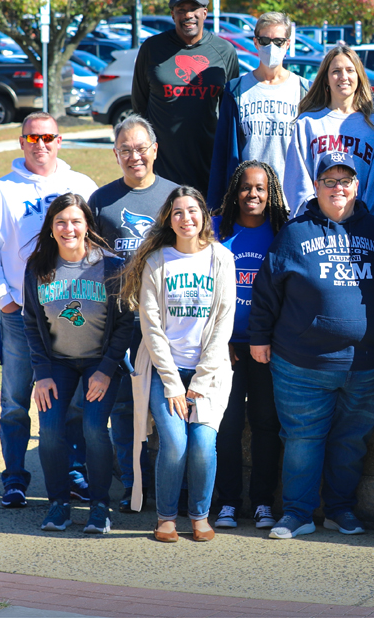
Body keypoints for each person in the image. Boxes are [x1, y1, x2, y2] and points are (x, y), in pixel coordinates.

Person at [249, 154, 374, 540]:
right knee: (301, 440)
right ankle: (297, 513)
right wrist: (259, 338)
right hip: (301, 363)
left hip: (366, 364)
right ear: (316, 186)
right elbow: (266, 290)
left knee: (351, 442)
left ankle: (340, 509)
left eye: (346, 180)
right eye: (329, 180)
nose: (338, 188)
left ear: (357, 186)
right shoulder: (295, 233)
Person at [0, 112, 98, 509]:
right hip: (20, 314)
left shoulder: (80, 185)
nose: (40, 144)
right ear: (22, 143)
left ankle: (74, 471)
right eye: (32, 138)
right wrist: (8, 301)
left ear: (60, 140)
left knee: (73, 399)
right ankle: (14, 478)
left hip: (70, 311)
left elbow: (95, 242)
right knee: (15, 400)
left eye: (47, 137)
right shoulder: (2, 191)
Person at [121, 186, 236, 542]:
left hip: (209, 373)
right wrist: (172, 383)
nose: (186, 219)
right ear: (169, 220)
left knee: (203, 443)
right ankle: (167, 517)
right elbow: (151, 326)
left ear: (204, 216)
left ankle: (199, 516)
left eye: (192, 211)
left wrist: (199, 381)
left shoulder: (220, 258)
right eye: (178, 213)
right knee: (174, 443)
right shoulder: (158, 261)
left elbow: (223, 322)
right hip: (163, 370)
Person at [23, 194, 133, 534]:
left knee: (94, 428)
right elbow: (31, 323)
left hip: (100, 363)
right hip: (57, 364)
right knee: (51, 430)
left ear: (87, 225)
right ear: (51, 228)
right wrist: (41, 375)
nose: (68, 228)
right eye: (60, 222)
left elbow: (126, 322)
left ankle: (100, 506)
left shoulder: (112, 266)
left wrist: (105, 368)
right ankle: (59, 505)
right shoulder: (39, 267)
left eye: (75, 221)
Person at [88, 114, 179, 513]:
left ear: (155, 149)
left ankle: (175, 489)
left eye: (141, 148)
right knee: (125, 412)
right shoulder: (102, 201)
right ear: (115, 154)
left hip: (171, 324)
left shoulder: (177, 197)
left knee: (173, 409)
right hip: (120, 326)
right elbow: (89, 262)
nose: (134, 156)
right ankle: (132, 485)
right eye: (125, 149)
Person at [209, 161, 288, 530]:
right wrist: (218, 341)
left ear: (270, 192)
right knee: (226, 426)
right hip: (224, 347)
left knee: (266, 425)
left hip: (266, 347)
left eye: (260, 188)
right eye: (245, 187)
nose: (252, 194)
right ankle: (226, 502)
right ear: (234, 191)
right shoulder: (215, 229)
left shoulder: (281, 231)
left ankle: (261, 503)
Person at [131, 0, 239, 190]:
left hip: (208, 164)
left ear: (204, 13)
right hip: (162, 166)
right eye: (181, 9)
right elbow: (139, 105)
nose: (188, 15)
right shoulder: (152, 49)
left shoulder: (225, 51)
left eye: (194, 9)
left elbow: (229, 110)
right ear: (172, 14)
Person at [207, 12, 310, 209]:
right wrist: (216, 208)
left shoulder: (304, 91)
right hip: (249, 204)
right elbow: (222, 155)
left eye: (279, 41)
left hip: (291, 205)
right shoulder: (236, 91)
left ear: (288, 44)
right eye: (265, 40)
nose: (272, 47)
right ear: (255, 43)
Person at [282, 45, 374, 217]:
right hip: (317, 223)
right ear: (326, 78)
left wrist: (363, 219)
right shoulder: (307, 122)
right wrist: (312, 218)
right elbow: (297, 180)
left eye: (350, 70)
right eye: (336, 71)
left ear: (359, 76)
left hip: (362, 224)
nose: (344, 77)